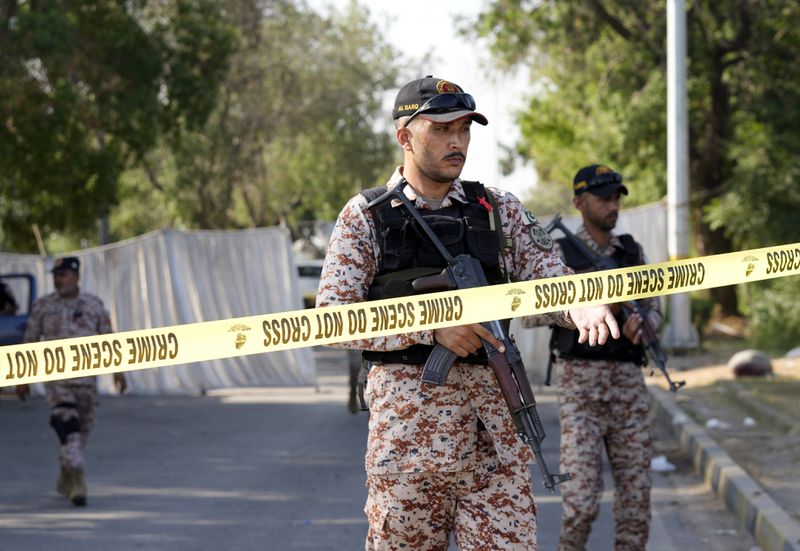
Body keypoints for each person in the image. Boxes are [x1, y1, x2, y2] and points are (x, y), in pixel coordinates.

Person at [317, 76, 620, 550]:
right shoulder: (367, 215)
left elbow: (547, 273)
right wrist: (430, 328)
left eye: (463, 128)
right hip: (408, 450)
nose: (456, 140)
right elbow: (333, 318)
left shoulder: (497, 209)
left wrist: (580, 302)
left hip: (496, 442)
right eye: (440, 129)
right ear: (405, 136)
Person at [546, 164, 661, 550]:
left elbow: (653, 304)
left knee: (636, 507)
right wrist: (587, 306)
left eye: (617, 198)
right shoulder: (557, 254)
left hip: (629, 390)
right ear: (580, 203)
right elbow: (531, 312)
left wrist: (645, 323)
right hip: (581, 393)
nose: (613, 205)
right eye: (604, 198)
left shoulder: (630, 252)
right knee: (579, 505)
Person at [17, 256, 126, 507]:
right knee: (68, 426)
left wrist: (119, 372)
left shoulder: (93, 305)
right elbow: (30, 342)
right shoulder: (43, 306)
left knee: (81, 432)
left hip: (86, 381)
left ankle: (66, 475)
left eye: (63, 274)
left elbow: (109, 340)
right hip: (57, 380)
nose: (58, 279)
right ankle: (78, 482)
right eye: (56, 275)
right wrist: (22, 378)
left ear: (76, 276)